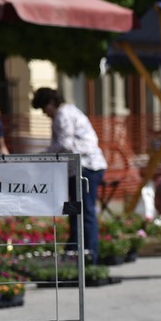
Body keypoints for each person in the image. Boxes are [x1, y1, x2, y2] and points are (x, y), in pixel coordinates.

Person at [31, 87, 107, 264]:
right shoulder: (69, 111)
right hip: (81, 167)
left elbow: (64, 144)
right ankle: (74, 254)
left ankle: (89, 258)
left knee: (84, 213)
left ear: (51, 103)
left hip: (85, 167)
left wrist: (43, 155)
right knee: (75, 212)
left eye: (44, 108)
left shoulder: (63, 114)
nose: (44, 113)